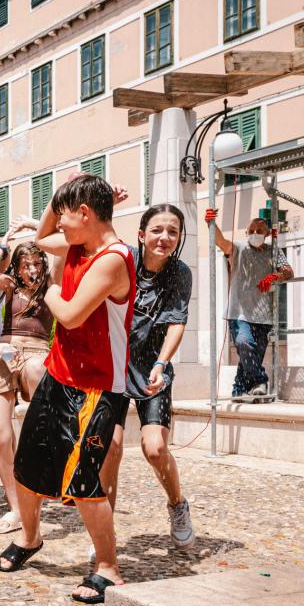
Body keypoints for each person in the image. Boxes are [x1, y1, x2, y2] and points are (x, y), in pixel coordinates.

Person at [0, 173, 133, 606]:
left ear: (86, 214)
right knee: (28, 461)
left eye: (65, 214)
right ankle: (31, 538)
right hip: (59, 375)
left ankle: (108, 569)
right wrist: (59, 197)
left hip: (96, 387)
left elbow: (71, 315)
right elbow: (39, 240)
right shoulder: (77, 245)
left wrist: (45, 287)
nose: (59, 223)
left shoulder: (113, 258)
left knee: (82, 480)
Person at [96, 205, 196, 555]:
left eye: (172, 231)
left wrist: (162, 361)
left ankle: (178, 506)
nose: (164, 237)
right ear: (141, 235)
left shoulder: (180, 273)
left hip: (153, 368)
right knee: (111, 448)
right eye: (157, 230)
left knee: (154, 449)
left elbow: (176, 322)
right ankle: (103, 531)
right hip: (117, 367)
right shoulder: (123, 261)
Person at [0, 228, 54, 535]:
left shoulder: (51, 286)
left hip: (37, 351)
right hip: (5, 351)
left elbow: (63, 253)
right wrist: (3, 244)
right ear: (17, 267)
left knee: (37, 371)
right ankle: (16, 508)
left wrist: (39, 230)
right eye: (25, 264)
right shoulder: (9, 286)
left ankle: (46, 465)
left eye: (36, 263)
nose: (31, 269)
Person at [206, 210, 292, 399]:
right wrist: (211, 223)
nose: (254, 234)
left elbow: (288, 271)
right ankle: (260, 381)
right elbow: (220, 242)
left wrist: (276, 275)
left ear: (267, 233)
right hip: (239, 312)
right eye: (251, 231)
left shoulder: (273, 251)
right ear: (246, 233)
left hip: (263, 314)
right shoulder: (240, 248)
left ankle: (239, 390)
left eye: (259, 231)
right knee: (244, 343)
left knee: (251, 356)